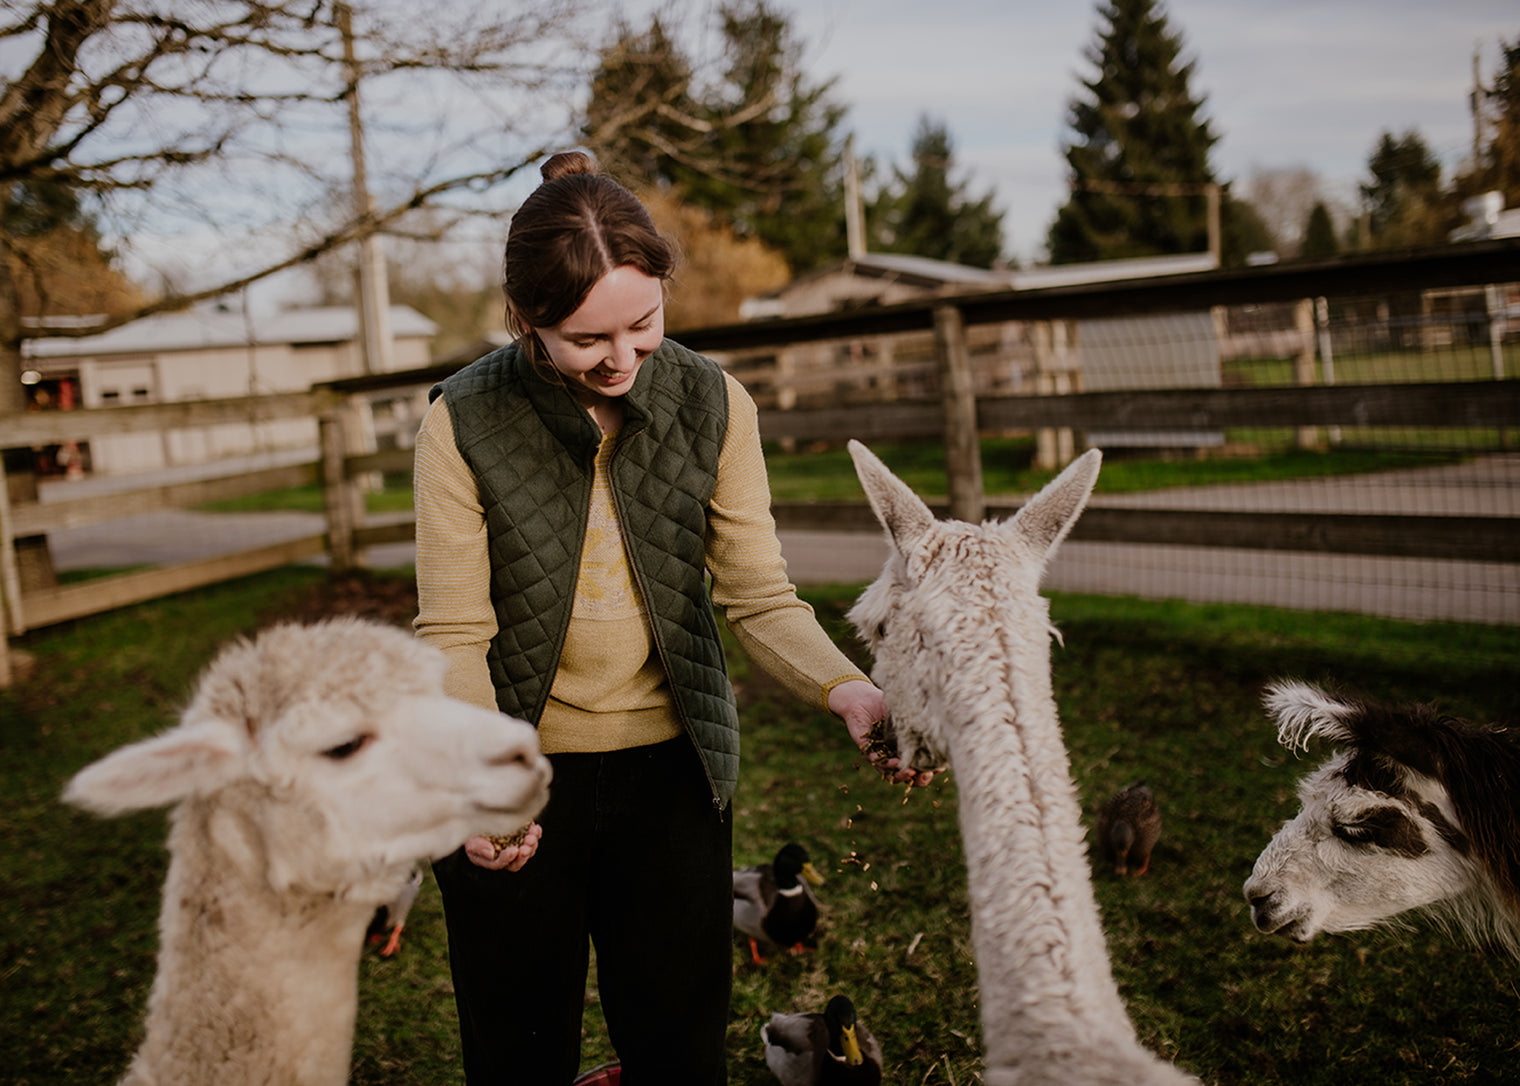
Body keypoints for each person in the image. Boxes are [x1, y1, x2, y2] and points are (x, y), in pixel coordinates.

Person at [413, 150, 930, 1085]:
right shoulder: (462, 421)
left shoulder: (715, 403)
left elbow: (757, 593)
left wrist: (849, 688)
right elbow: (454, 632)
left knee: (677, 1047)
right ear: (528, 321)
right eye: (585, 340)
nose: (620, 362)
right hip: (518, 768)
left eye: (644, 326)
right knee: (517, 1044)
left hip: (672, 775)